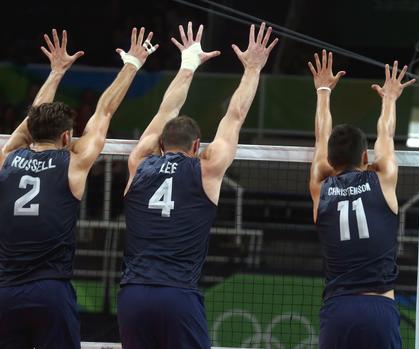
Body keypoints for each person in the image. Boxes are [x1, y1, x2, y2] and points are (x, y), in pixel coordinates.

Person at [118, 22, 277, 349]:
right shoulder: (208, 168)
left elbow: (167, 109)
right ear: (196, 146)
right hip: (177, 296)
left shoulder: (139, 163)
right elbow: (235, 115)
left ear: (161, 143)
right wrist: (252, 68)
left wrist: (188, 64)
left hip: (132, 294)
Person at [0, 27, 155, 348]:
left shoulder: (6, 158)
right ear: (68, 137)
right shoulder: (73, 163)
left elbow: (30, 121)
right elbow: (105, 111)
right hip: (50, 292)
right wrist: (132, 64)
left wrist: (56, 72)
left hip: (4, 290)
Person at [308, 51, 415, 349]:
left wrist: (323, 91)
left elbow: (321, 138)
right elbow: (386, 133)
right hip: (379, 309)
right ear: (366, 157)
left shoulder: (322, 185)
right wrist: (389, 97)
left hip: (337, 309)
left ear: (329, 160)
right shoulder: (382, 179)